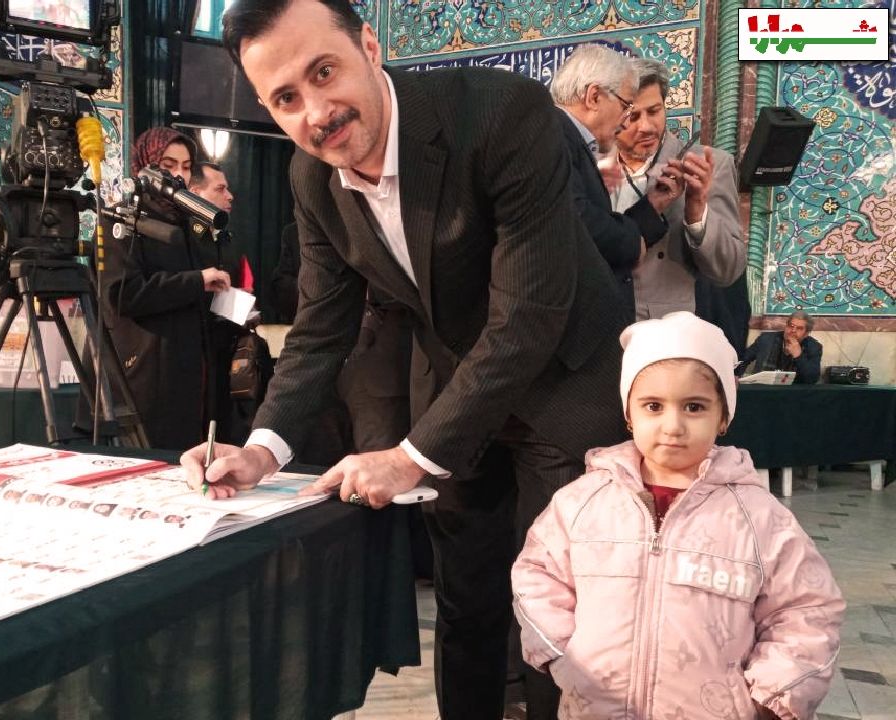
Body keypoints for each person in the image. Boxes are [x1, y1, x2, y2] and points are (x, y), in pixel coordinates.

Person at [180, 1, 627, 718]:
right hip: (456, 391)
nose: (317, 113)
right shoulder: (312, 178)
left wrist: (410, 456)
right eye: (286, 98)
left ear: (368, 44)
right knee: (467, 600)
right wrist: (262, 450)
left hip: (565, 382)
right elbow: (321, 329)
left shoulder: (502, 113)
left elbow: (528, 317)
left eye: (324, 72)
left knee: (560, 617)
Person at [512, 311, 844, 719]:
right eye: (653, 406)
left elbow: (806, 608)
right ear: (629, 414)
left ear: (723, 417)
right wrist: (563, 654)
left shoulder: (759, 518)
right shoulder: (582, 502)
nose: (673, 426)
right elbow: (538, 573)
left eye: (694, 407)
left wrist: (771, 695)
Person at [100, 128, 232, 449]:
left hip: (187, 375)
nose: (178, 175)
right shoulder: (120, 219)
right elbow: (122, 294)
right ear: (144, 166)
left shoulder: (187, 224)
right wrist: (196, 281)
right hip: (143, 376)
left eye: (186, 167)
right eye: (168, 165)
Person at [552, 45, 686, 312]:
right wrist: (632, 244)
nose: (625, 123)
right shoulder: (554, 137)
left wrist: (652, 206)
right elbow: (576, 221)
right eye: (627, 109)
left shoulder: (569, 140)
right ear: (594, 97)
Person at [610, 59, 746, 321]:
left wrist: (697, 214)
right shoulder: (591, 165)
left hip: (665, 331)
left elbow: (728, 270)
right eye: (633, 117)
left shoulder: (708, 165)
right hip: (601, 326)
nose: (646, 126)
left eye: (655, 111)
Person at [187, 161, 255, 442]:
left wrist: (244, 307)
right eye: (220, 189)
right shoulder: (183, 241)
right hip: (191, 356)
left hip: (226, 355)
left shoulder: (228, 240)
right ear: (195, 193)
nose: (230, 196)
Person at [738, 310, 822, 384]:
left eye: (799, 328)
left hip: (794, 393)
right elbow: (743, 360)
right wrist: (736, 376)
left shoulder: (814, 347)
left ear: (806, 334)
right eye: (791, 326)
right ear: (786, 326)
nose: (793, 330)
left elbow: (812, 379)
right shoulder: (766, 339)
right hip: (763, 389)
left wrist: (798, 356)